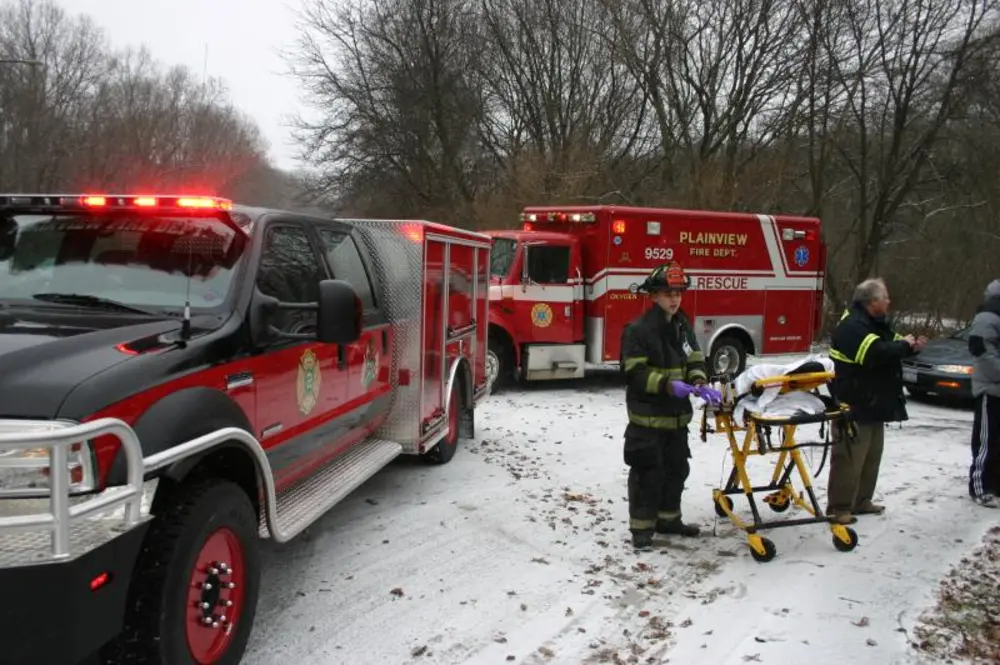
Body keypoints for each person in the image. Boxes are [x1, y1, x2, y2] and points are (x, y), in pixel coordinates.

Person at [619, 261, 722, 550]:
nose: (675, 299)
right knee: (647, 475)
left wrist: (699, 380)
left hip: (676, 419)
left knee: (676, 471)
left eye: (678, 293)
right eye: (668, 293)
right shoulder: (638, 330)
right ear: (653, 295)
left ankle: (669, 520)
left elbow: (694, 358)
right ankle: (642, 529)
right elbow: (634, 373)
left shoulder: (682, 325)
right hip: (648, 421)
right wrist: (667, 385)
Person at [826, 277, 925, 524]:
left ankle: (861, 501)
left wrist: (911, 346)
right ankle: (839, 508)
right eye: (885, 298)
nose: (889, 302)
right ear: (872, 301)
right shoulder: (852, 326)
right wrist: (903, 346)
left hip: (874, 403)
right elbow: (873, 353)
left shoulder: (876, 323)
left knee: (871, 457)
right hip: (854, 403)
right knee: (849, 459)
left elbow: (892, 343)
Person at [967, 279, 1000, 508]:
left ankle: (995, 484)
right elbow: (982, 351)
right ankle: (980, 486)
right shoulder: (987, 317)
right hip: (990, 388)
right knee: (986, 440)